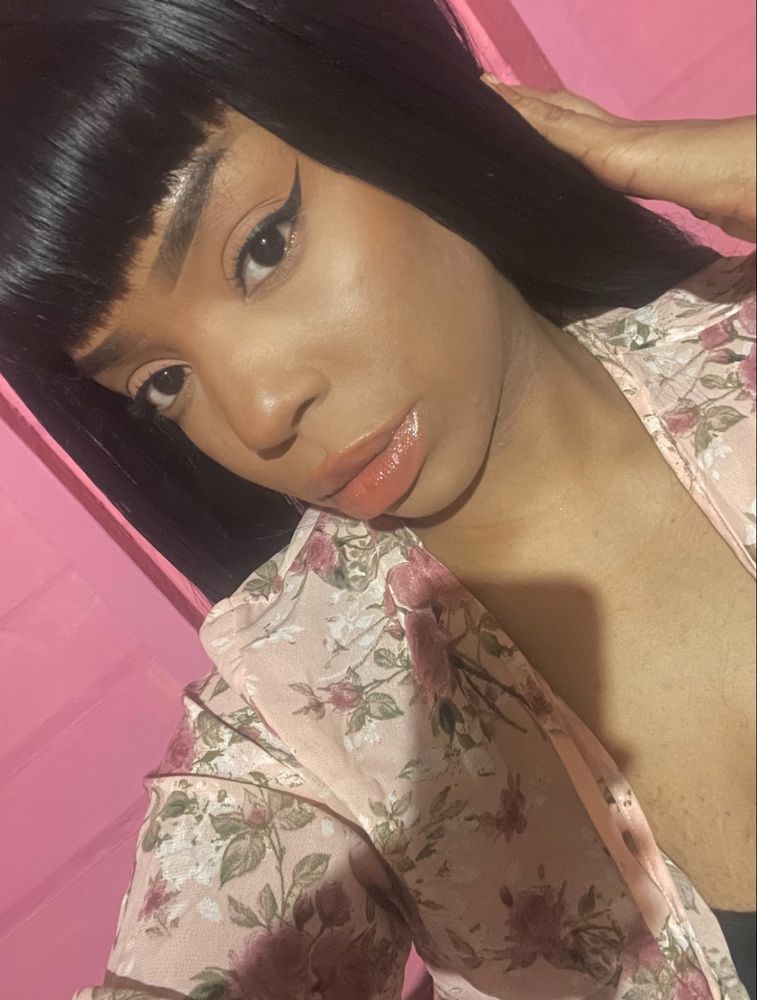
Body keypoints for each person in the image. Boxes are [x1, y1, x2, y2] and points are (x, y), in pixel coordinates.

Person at [0, 2, 754, 998]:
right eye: (162, 382)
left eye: (262, 247)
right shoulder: (298, 719)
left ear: (385, 103)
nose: (258, 411)